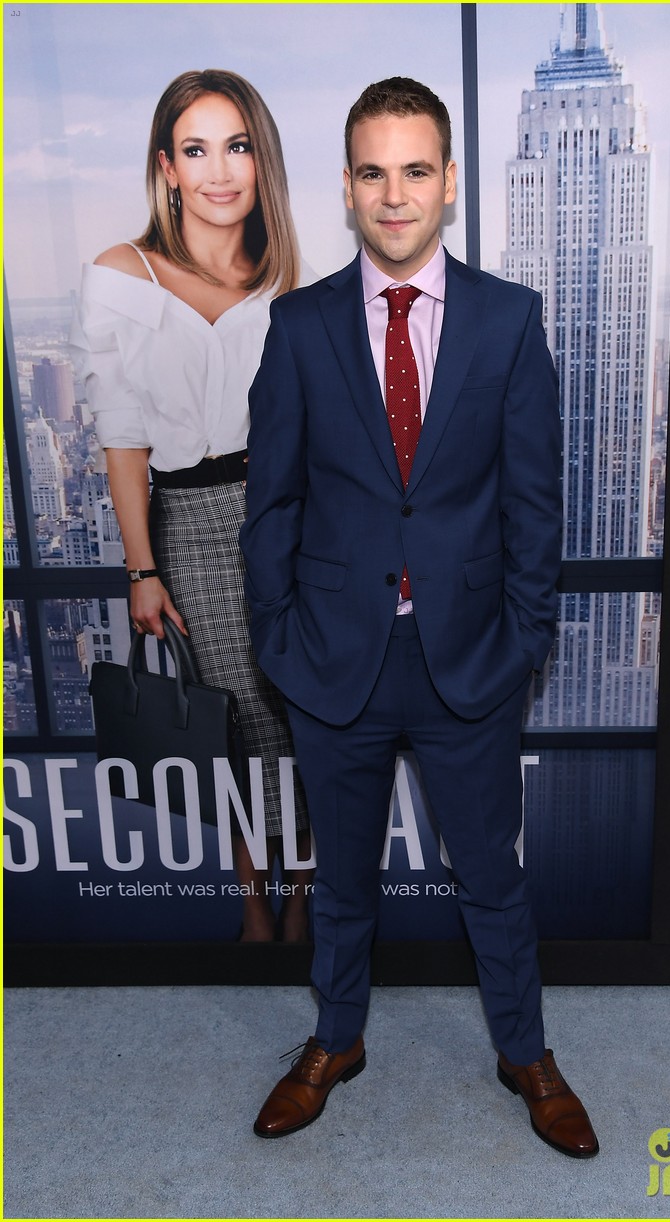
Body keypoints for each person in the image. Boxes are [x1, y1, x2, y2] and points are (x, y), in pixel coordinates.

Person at [240, 77, 598, 1156]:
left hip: (470, 660)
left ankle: (524, 1052)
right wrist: (277, 638)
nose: (393, 196)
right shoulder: (299, 326)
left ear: (447, 184)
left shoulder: (506, 319)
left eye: (414, 171)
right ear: (347, 189)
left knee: (492, 876)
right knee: (341, 881)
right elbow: (274, 504)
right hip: (334, 662)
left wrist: (523, 638)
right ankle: (335, 1039)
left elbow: (536, 501)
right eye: (371, 172)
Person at [70, 69, 313, 943]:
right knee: (237, 721)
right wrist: (141, 568)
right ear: (167, 167)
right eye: (197, 148)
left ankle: (304, 897)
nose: (220, 171)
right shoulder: (121, 275)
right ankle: (255, 900)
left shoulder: (291, 280)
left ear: (262, 161)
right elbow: (122, 437)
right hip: (192, 521)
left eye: (238, 146)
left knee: (308, 712)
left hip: (294, 520)